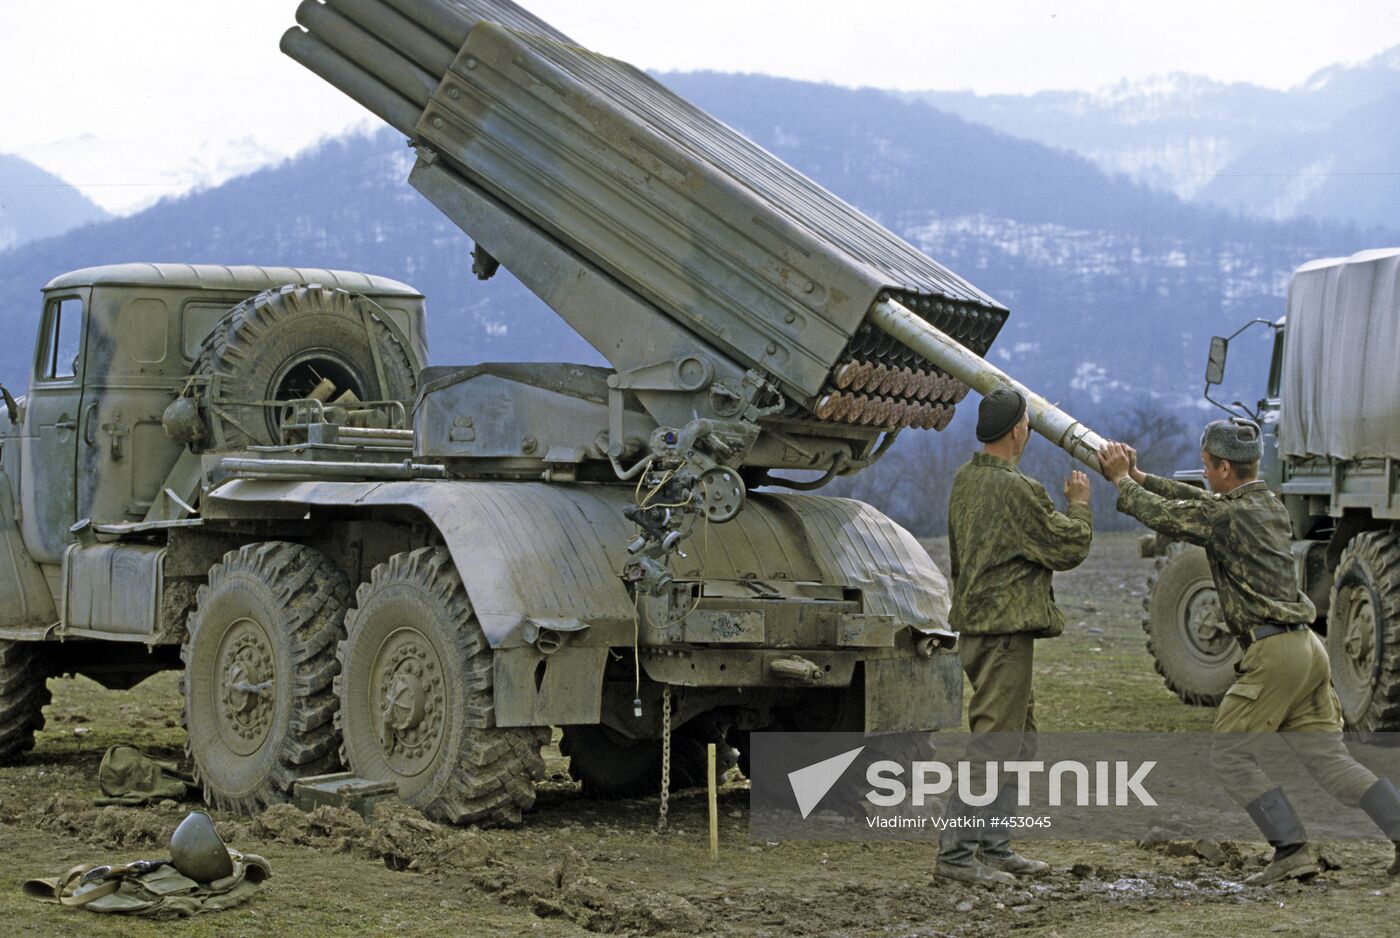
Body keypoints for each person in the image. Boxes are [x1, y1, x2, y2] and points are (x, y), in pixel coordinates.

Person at [1100, 420, 1400, 885]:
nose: (1204, 475)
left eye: (1206, 467)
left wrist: (1120, 481)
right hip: (1307, 649)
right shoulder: (1268, 505)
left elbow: (1169, 518)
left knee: (1229, 755)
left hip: (1275, 654)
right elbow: (1200, 501)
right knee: (1330, 760)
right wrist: (1140, 477)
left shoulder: (1227, 517)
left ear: (1224, 467)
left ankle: (1291, 848)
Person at [935, 387, 1093, 885]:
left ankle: (996, 846)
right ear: (1017, 430)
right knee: (996, 745)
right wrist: (1081, 505)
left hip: (980, 630)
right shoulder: (1017, 489)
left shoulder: (964, 480)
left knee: (1018, 741)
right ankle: (958, 857)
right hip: (1004, 636)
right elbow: (1068, 548)